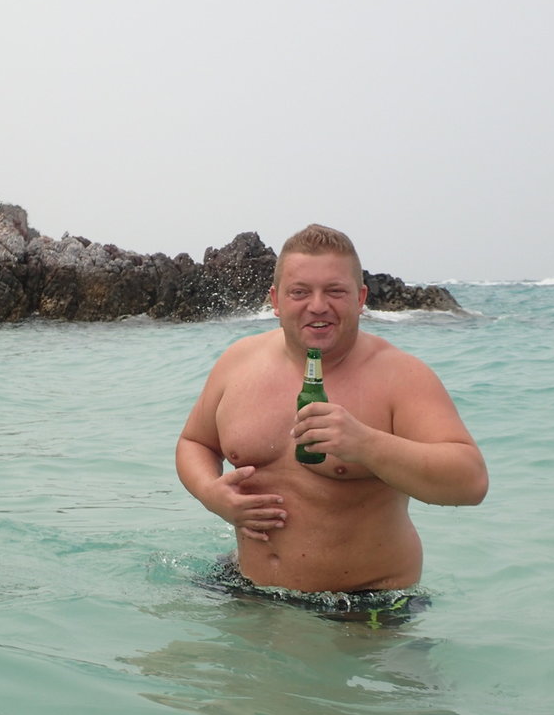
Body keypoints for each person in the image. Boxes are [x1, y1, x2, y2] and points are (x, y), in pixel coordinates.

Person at [176, 224, 488, 596]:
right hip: (247, 587)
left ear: (360, 298)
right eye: (300, 292)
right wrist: (211, 494)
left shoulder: (401, 376)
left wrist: (366, 445)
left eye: (335, 291)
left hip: (362, 606)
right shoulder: (239, 362)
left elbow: (471, 482)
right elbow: (195, 442)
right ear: (276, 300)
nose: (318, 305)